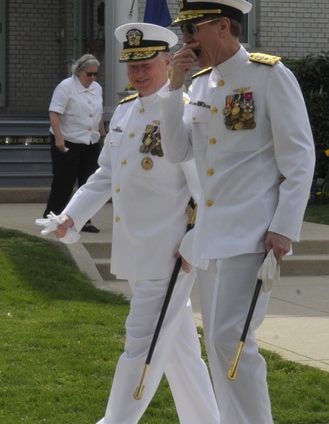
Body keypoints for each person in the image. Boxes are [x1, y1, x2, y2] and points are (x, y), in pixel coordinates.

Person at [159, 0, 315, 424]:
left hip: (253, 232)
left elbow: (299, 157)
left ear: (222, 25)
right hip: (212, 235)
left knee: (233, 341)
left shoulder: (269, 75)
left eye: (192, 29)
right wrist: (173, 89)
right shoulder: (201, 84)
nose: (185, 40)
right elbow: (177, 152)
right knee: (220, 344)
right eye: (184, 31)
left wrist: (284, 226)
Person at [49, 23, 220, 424]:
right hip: (136, 249)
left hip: (170, 253)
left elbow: (205, 188)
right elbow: (106, 176)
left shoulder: (185, 110)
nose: (139, 74)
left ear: (168, 62)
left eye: (147, 65)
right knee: (179, 349)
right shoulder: (127, 110)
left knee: (141, 341)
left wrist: (197, 239)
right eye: (131, 66)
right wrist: (71, 215)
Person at [43, 53, 106, 232]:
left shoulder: (97, 88)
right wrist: (58, 137)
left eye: (96, 74)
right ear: (79, 72)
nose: (92, 78)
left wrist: (103, 135)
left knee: (88, 183)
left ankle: (84, 220)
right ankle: (52, 216)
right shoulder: (66, 87)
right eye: (89, 74)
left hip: (90, 141)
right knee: (64, 182)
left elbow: (98, 114)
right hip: (68, 140)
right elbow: (54, 113)